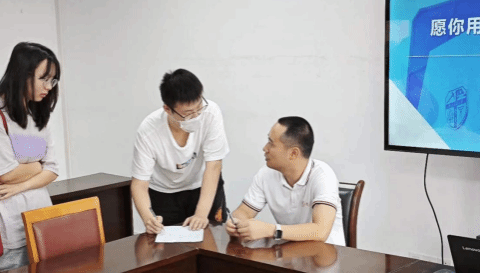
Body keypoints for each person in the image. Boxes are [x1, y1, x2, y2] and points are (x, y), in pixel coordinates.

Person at [0, 42, 61, 270]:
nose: (49, 87)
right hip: (8, 227)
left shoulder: (38, 115)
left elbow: (53, 170)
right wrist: (38, 166)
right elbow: (5, 174)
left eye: (53, 80)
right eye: (44, 78)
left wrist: (20, 185)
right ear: (22, 74)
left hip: (41, 219)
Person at [131, 69, 230, 233]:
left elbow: (214, 165)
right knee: (168, 243)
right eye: (188, 114)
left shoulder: (211, 112)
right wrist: (148, 218)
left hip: (203, 185)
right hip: (164, 192)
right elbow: (139, 183)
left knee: (212, 236)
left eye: (199, 108)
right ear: (167, 109)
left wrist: (201, 214)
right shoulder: (149, 131)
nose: (196, 116)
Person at [226, 116, 345, 245]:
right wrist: (237, 222)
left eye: (271, 143)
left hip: (326, 253)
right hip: (290, 252)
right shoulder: (266, 174)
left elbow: (320, 231)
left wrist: (271, 230)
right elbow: (244, 211)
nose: (265, 148)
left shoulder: (323, 176)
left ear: (293, 153)